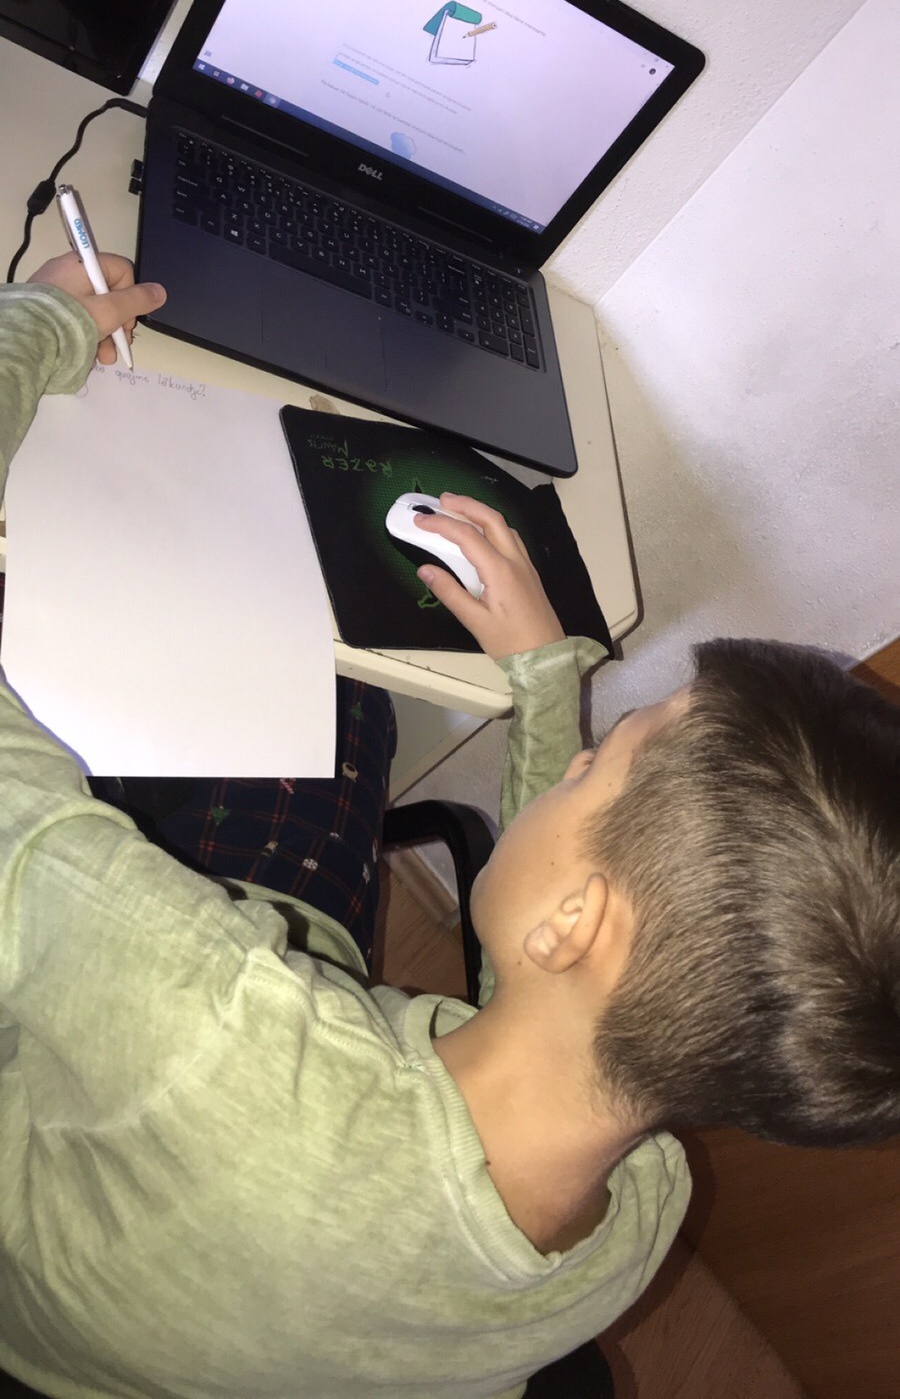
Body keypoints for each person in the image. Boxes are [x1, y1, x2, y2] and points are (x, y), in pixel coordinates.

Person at [0, 254, 897, 1399]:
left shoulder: (211, 1017)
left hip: (60, 1207)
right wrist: (542, 676)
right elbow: (542, 999)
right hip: (229, 1208)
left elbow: (177, 976)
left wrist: (36, 322)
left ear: (574, 921)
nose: (575, 761)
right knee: (344, 705)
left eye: (596, 764)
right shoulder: (638, 1206)